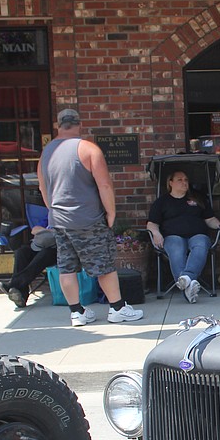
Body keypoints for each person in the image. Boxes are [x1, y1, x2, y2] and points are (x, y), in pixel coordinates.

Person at [37, 108, 143, 327]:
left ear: (58, 125)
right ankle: (117, 308)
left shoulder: (46, 152)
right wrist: (111, 212)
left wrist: (53, 211)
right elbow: (104, 184)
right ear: (79, 124)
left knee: (66, 268)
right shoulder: (88, 149)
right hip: (87, 218)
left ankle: (77, 312)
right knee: (103, 265)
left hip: (59, 219)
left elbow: (42, 187)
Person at [146, 168, 220, 303]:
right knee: (176, 248)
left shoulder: (197, 198)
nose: (184, 182)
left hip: (197, 234)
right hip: (172, 236)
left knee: (201, 244)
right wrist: (156, 234)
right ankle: (188, 287)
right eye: (180, 180)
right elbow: (152, 224)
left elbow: (209, 219)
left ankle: (186, 278)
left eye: (186, 180)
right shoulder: (162, 202)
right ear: (170, 183)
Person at [0, 204, 57, 309]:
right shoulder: (51, 214)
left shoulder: (67, 216)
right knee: (21, 252)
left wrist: (46, 232)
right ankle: (21, 295)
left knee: (44, 254)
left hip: (57, 249)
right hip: (39, 245)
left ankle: (13, 285)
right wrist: (49, 232)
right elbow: (35, 230)